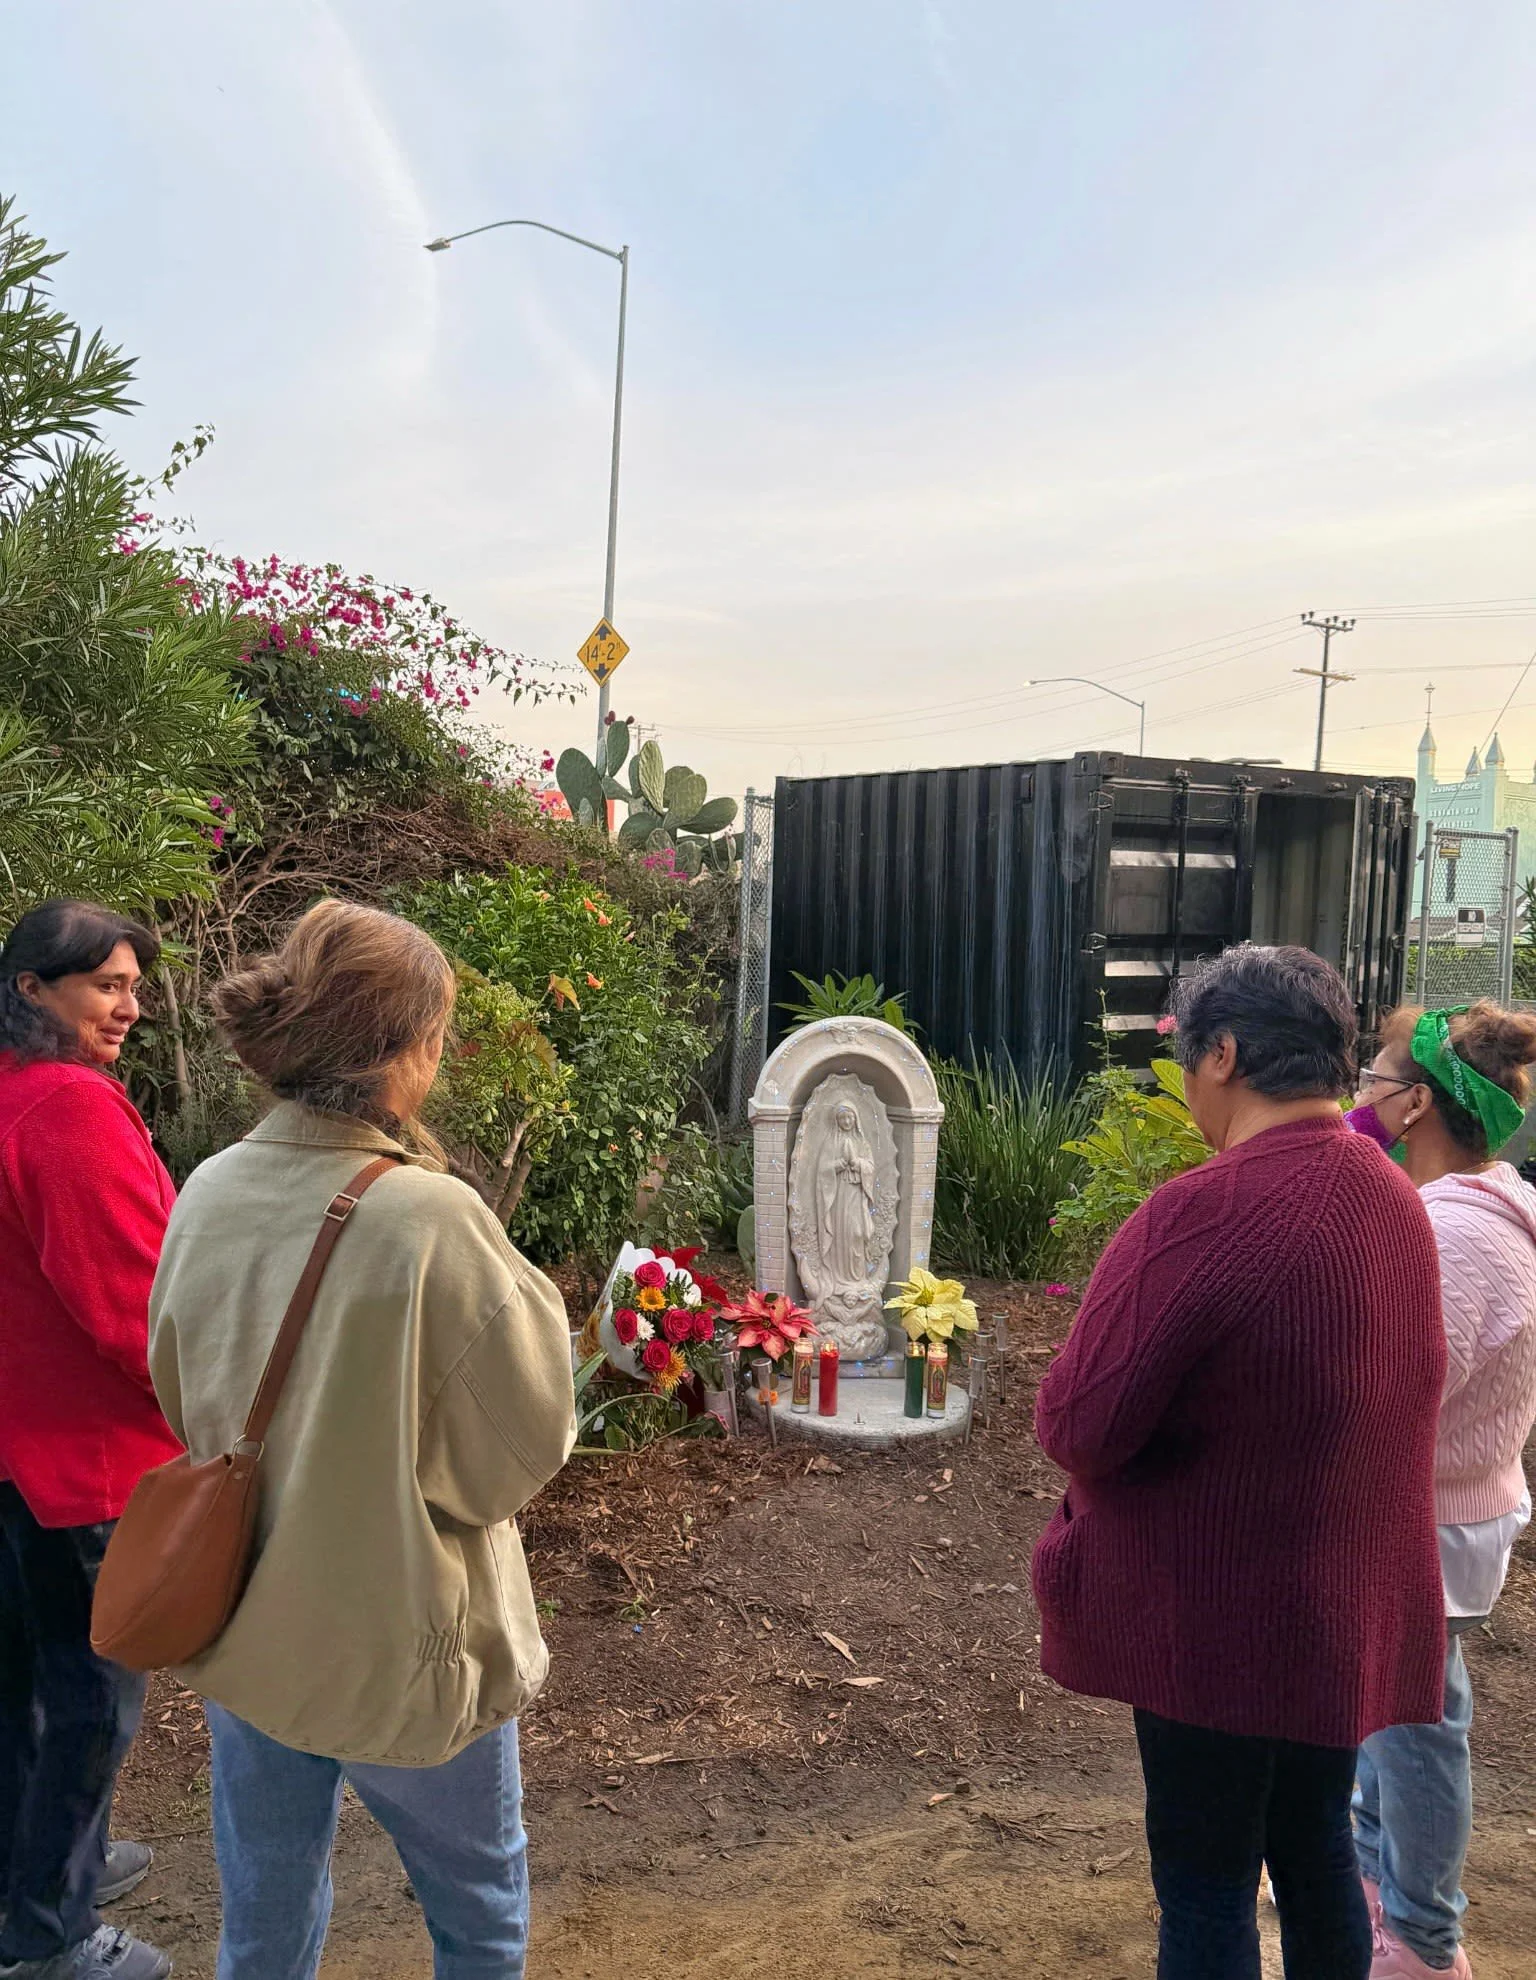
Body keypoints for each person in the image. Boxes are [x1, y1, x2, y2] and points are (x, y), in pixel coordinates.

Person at [147, 900, 576, 1980]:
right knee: (477, 1909)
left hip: (248, 1625)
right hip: (403, 1637)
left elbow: (177, 1385)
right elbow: (517, 1453)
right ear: (407, 1050)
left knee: (264, 1914)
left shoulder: (208, 1190)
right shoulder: (428, 1219)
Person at [1033, 944, 1447, 1980]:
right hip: (1338, 1616)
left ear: (1221, 1053)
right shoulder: (1393, 1201)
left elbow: (1079, 1424)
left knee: (1209, 1881)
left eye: (1184, 1055)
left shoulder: (1202, 1212)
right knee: (1315, 1854)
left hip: (1212, 1625)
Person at [0, 901, 180, 1980]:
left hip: (18, 1450)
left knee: (21, 1683)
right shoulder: (70, 1108)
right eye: (105, 985)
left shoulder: (16, 1095)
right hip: (84, 1463)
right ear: (33, 989)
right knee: (89, 1701)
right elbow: (136, 1310)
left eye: (132, 986)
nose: (128, 1005)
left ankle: (36, 1866)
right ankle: (48, 1935)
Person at [1348, 1002, 1536, 1979]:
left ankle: (1421, 1938)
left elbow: (1397, 1395)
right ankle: (1382, 1884)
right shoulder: (1484, 1209)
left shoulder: (1448, 1236)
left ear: (1415, 1103)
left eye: (1373, 1082)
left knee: (1418, 1726)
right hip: (1457, 1509)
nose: (1356, 1099)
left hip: (1428, 1521)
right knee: (1393, 1715)